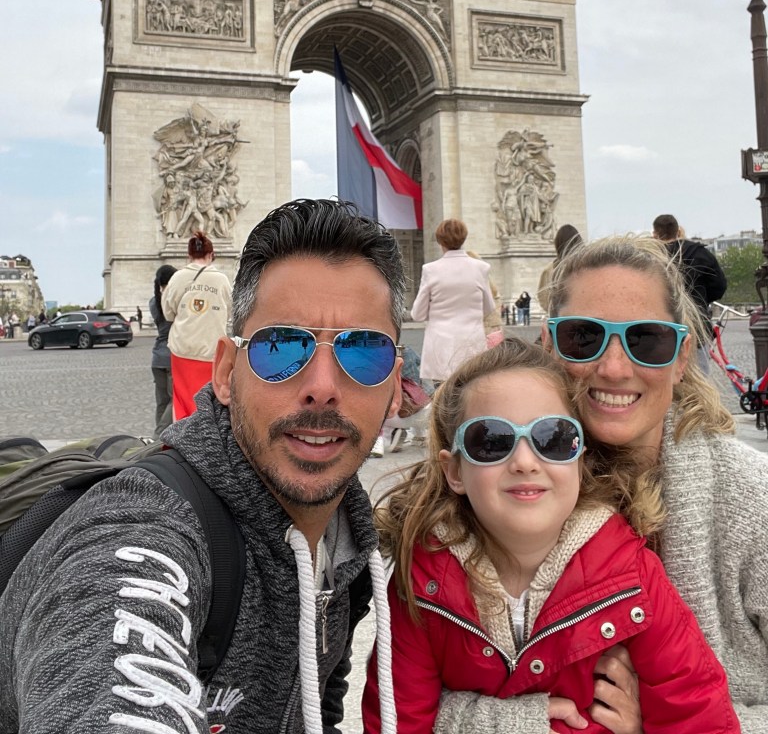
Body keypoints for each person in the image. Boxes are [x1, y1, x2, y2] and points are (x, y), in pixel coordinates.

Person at [0, 198, 402, 733]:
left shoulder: (344, 544)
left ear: (397, 387)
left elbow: (319, 709)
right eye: (281, 348)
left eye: (364, 352)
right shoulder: (138, 528)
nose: (322, 388)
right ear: (226, 372)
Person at [362, 338, 738, 733]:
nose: (525, 462)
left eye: (553, 439)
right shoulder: (420, 585)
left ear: (580, 460)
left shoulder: (633, 574)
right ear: (455, 471)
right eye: (491, 441)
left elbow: (698, 713)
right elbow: (395, 721)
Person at [410, 219, 495, 384]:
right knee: (467, 390)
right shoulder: (481, 268)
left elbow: (418, 314)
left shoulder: (430, 270)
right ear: (464, 238)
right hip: (472, 342)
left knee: (441, 393)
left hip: (440, 344)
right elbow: (489, 307)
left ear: (440, 241)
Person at [162, 230, 232, 420]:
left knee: (182, 399)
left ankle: (183, 432)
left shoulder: (177, 278)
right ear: (211, 254)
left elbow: (168, 313)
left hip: (182, 348)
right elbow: (230, 312)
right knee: (210, 399)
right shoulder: (221, 280)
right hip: (211, 350)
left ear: (189, 255)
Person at [652, 213, 727, 371]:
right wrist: (701, 300)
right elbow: (719, 287)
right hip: (696, 322)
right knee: (699, 372)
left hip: (660, 325)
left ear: (655, 234)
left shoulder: (651, 256)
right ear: (677, 231)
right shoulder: (700, 253)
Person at [149, 264, 177, 438]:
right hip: (172, 356)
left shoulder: (153, 302)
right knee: (174, 399)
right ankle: (158, 436)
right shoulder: (174, 301)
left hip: (157, 357)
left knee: (161, 402)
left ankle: (158, 440)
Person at [537, 224, 583, 315]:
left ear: (557, 244)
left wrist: (554, 312)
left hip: (562, 317)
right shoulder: (590, 264)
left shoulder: (550, 270)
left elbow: (543, 297)